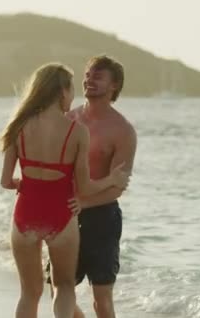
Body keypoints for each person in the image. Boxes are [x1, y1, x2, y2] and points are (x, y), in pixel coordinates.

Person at [0, 62, 130, 318]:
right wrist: (112, 179)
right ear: (61, 91)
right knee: (64, 287)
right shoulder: (77, 131)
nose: (73, 95)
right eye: (71, 88)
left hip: (25, 214)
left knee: (29, 293)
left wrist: (22, 184)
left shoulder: (18, 126)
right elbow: (85, 187)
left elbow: (5, 181)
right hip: (60, 215)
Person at [47, 55, 137, 318]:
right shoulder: (68, 118)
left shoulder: (123, 130)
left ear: (114, 85)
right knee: (57, 290)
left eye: (97, 76)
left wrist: (84, 203)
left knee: (102, 299)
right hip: (63, 214)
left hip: (102, 218)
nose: (89, 80)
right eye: (87, 75)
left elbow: (118, 186)